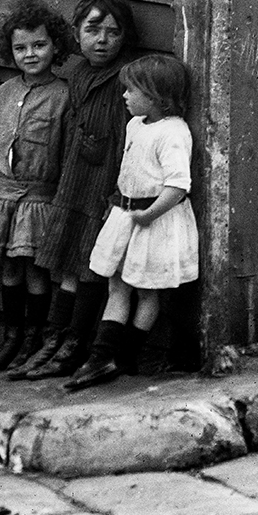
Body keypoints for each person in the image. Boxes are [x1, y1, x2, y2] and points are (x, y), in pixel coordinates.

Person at [17, 0, 134, 381]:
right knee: (67, 260)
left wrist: (114, 196)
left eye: (112, 33)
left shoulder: (125, 80)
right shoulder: (79, 74)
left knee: (88, 265)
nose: (102, 40)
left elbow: (124, 141)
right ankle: (54, 339)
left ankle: (75, 345)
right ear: (76, 33)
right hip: (74, 180)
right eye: (92, 30)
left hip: (103, 186)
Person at [66, 53, 196, 391]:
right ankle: (101, 356)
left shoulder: (173, 132)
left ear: (155, 97)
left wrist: (149, 214)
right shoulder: (135, 124)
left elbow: (178, 186)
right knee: (117, 284)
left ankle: (127, 355)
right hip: (126, 215)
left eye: (131, 91)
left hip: (155, 219)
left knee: (147, 290)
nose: (125, 96)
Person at [0, 0, 73, 375]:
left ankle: (34, 337)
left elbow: (65, 153)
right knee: (9, 268)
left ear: (56, 46)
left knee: (35, 270)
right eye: (20, 48)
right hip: (2, 196)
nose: (30, 54)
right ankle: (10, 337)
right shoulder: (2, 94)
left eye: (39, 45)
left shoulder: (64, 95)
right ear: (10, 51)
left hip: (40, 199)